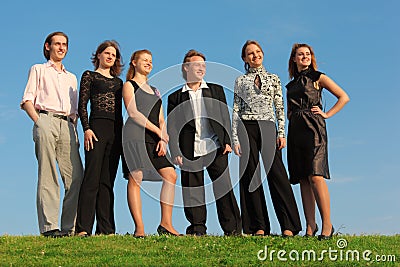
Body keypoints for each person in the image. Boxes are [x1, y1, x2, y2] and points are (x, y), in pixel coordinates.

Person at [167, 49, 241, 236]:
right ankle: (197, 228)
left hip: (216, 146)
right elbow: (173, 127)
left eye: (203, 65)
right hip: (189, 149)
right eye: (196, 64)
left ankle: (232, 228)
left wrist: (227, 141)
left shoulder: (216, 90)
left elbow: (224, 116)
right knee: (192, 190)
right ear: (186, 67)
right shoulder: (175, 97)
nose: (201, 68)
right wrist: (175, 151)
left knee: (223, 188)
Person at [232, 40, 301, 237]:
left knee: (277, 174)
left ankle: (289, 225)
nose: (255, 55)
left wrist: (281, 132)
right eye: (250, 53)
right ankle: (258, 226)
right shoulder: (240, 81)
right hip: (246, 127)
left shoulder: (274, 78)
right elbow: (236, 108)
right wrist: (235, 137)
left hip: (268, 126)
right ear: (245, 58)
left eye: (258, 52)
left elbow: (279, 107)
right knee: (250, 175)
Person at [20, 31, 83, 237]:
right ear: (48, 46)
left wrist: (73, 128)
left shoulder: (72, 77)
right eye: (57, 44)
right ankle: (49, 228)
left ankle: (69, 228)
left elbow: (75, 109)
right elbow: (27, 100)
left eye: (65, 44)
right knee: (48, 175)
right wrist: (39, 122)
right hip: (45, 118)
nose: (61, 48)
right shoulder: (38, 69)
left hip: (68, 125)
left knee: (76, 177)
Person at [286, 43, 349, 240]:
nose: (304, 57)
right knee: (303, 179)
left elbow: (343, 96)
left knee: (315, 176)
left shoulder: (318, 77)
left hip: (314, 130)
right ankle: (310, 226)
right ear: (294, 59)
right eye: (300, 54)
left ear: (311, 57)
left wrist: (327, 114)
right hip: (295, 130)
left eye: (307, 54)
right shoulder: (290, 84)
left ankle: (327, 225)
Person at [122, 49, 180, 237]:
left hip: (154, 138)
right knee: (136, 176)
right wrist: (157, 131)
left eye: (151, 61)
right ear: (134, 62)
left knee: (170, 174)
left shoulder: (155, 90)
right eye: (145, 60)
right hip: (134, 134)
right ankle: (139, 228)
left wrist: (162, 138)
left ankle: (166, 224)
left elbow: (161, 118)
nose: (149, 63)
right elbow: (133, 113)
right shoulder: (129, 85)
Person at [75, 40, 125, 237]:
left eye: (114, 55)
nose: (110, 57)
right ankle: (83, 228)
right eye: (107, 53)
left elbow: (121, 112)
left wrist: (121, 138)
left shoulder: (119, 83)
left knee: (108, 182)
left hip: (115, 132)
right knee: (91, 178)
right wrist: (86, 129)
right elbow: (82, 105)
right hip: (95, 130)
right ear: (98, 55)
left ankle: (106, 229)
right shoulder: (89, 76)